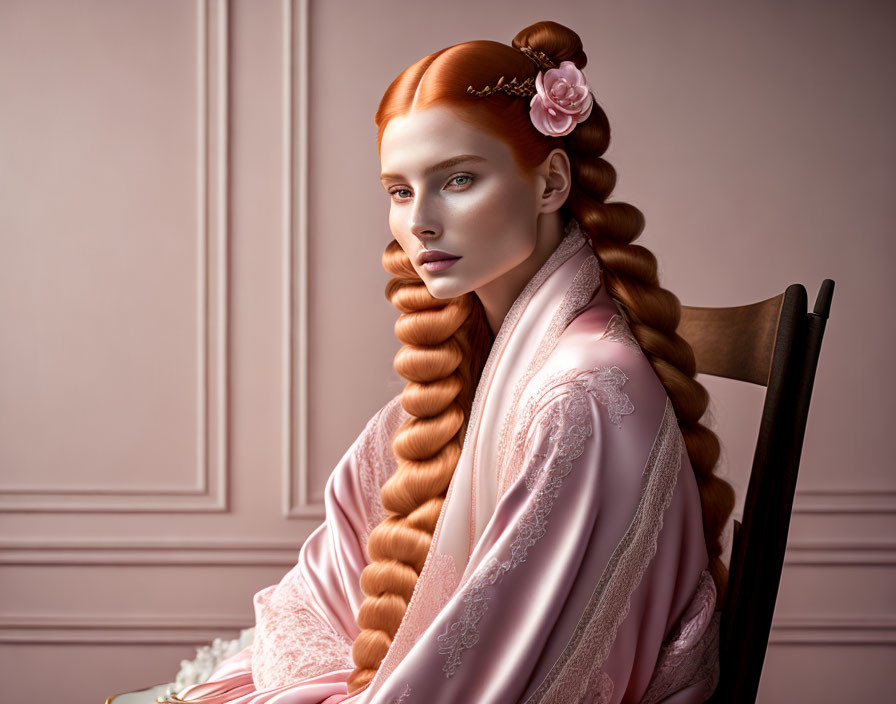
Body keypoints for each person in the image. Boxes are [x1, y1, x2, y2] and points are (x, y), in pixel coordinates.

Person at [157, 19, 733, 704]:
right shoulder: (489, 373)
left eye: (457, 179)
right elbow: (322, 587)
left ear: (551, 183)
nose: (420, 221)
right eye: (399, 191)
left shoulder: (582, 394)